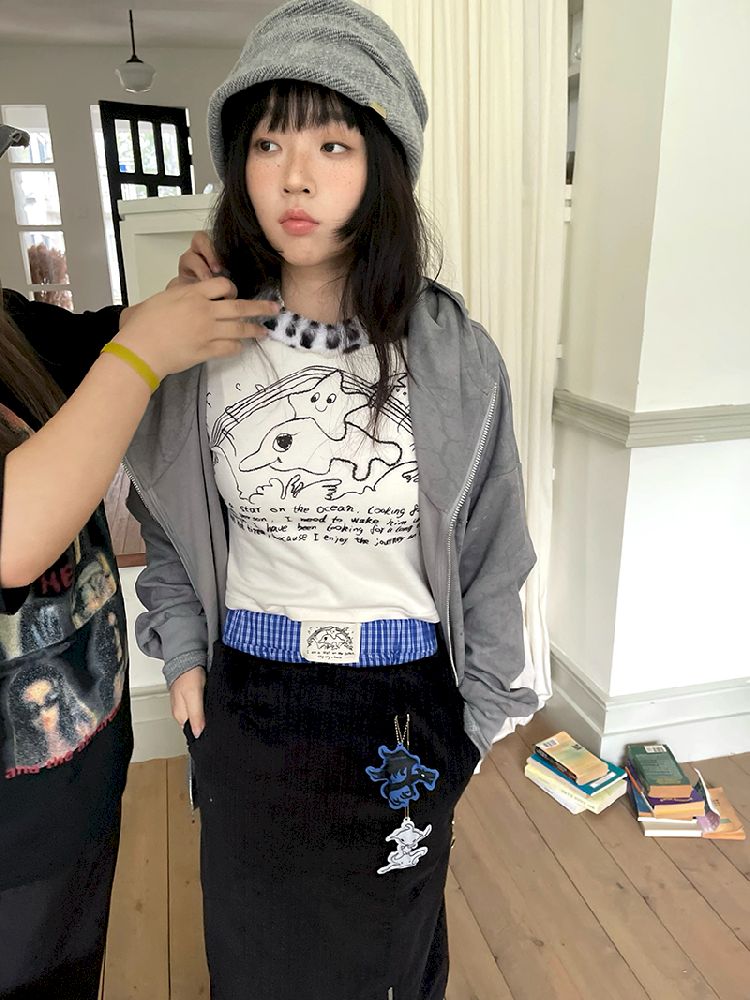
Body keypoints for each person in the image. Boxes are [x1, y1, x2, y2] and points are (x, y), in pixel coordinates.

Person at [125, 1, 539, 997]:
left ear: (382, 167)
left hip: (403, 707)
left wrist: (476, 721)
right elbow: (166, 519)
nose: (295, 177)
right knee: (254, 956)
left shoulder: (456, 358)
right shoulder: (201, 340)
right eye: (268, 142)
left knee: (390, 955)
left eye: (332, 144)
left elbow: (494, 552)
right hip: (251, 699)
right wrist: (185, 653)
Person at [0, 261, 277, 995]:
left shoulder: (10, 323)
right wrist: (143, 351)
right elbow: (11, 539)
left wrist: (181, 306)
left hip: (80, 777)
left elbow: (96, 337)